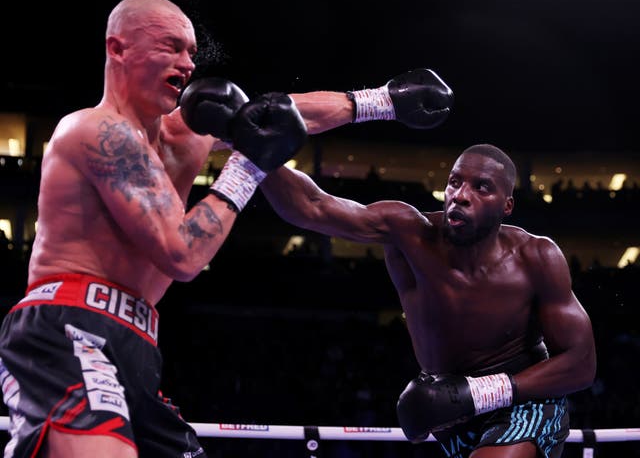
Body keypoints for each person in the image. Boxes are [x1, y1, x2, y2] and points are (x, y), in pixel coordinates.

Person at [179, 71, 596, 456]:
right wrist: (252, 144)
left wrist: (483, 392)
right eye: (454, 181)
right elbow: (314, 206)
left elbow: (581, 362)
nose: (460, 195)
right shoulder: (409, 231)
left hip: (524, 398)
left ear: (506, 205)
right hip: (449, 412)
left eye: (480, 187)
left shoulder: (536, 256)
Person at [0, 0, 309, 458]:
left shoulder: (182, 137)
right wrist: (246, 169)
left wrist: (378, 101)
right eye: (171, 47)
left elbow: (281, 112)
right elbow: (182, 255)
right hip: (70, 325)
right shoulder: (93, 129)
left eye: (191, 51)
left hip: (139, 342)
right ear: (117, 49)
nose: (188, 63)